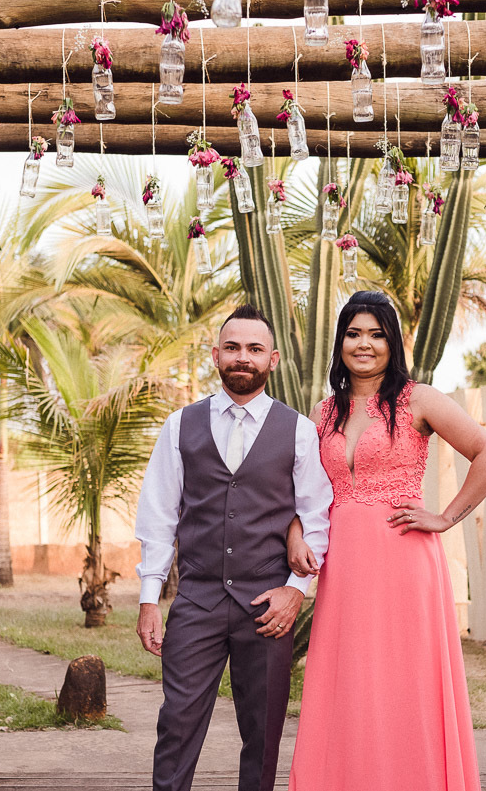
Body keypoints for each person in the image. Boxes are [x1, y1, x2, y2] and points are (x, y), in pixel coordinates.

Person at [287, 290, 486, 791]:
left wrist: (446, 517)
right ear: (340, 341)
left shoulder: (419, 399)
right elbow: (303, 488)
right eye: (353, 333)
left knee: (406, 681)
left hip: (404, 560)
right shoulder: (323, 412)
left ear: (393, 343)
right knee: (351, 682)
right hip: (343, 566)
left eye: (376, 334)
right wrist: (297, 531)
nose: (364, 344)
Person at [134, 304, 333, 791]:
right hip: (197, 599)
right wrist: (148, 597)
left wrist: (296, 589)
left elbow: (318, 516)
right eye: (232, 347)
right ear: (216, 354)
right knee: (177, 724)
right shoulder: (182, 424)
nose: (242, 357)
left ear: (274, 359)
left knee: (263, 734)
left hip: (267, 604)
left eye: (254, 349)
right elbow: (158, 513)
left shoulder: (299, 431)